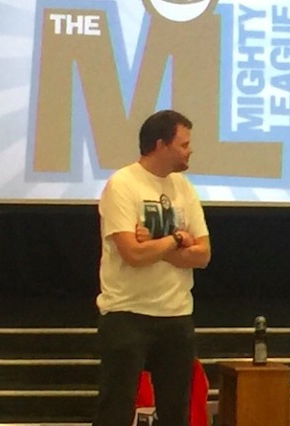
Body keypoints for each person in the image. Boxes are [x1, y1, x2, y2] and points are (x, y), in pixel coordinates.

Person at [94, 109, 212, 426]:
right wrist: (176, 238)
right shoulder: (123, 184)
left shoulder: (184, 187)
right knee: (115, 410)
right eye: (184, 144)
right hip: (127, 313)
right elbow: (132, 254)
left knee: (176, 412)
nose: (190, 150)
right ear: (161, 144)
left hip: (176, 314)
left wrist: (157, 243)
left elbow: (203, 255)